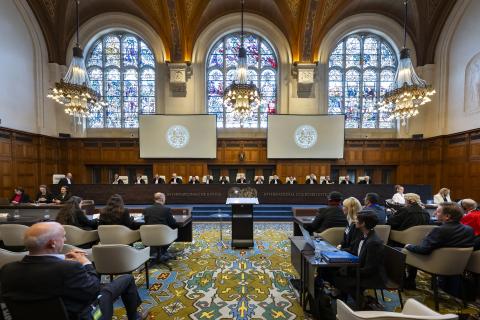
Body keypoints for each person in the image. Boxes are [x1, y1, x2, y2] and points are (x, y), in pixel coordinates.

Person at [0, 222, 145, 320]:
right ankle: (135, 317)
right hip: (89, 315)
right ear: (53, 243)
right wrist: (86, 263)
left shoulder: (8, 270)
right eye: (63, 236)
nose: (65, 238)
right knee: (122, 281)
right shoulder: (69, 269)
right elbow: (94, 290)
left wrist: (63, 257)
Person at [404, 202, 475, 291]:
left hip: (435, 265)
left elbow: (423, 250)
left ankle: (408, 282)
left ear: (447, 216)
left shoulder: (440, 230)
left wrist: (408, 246)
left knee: (399, 251)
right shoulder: (469, 229)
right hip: (457, 266)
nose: (434, 213)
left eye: (437, 212)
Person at [331, 211, 387, 304]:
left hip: (372, 277)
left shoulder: (374, 243)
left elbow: (370, 269)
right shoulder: (364, 235)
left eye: (357, 219)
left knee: (336, 278)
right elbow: (353, 250)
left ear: (363, 223)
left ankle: (362, 300)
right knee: (331, 272)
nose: (355, 221)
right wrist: (336, 252)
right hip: (361, 270)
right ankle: (356, 298)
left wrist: (348, 271)